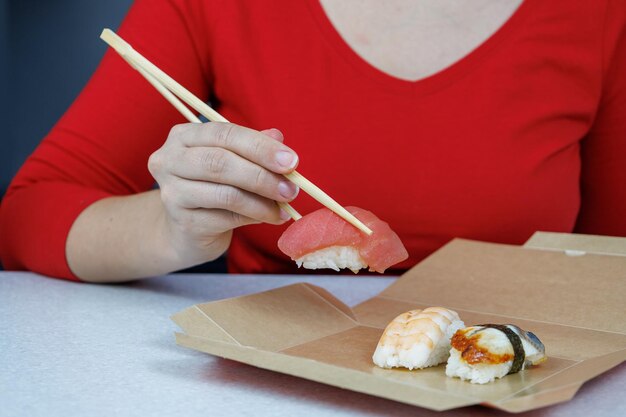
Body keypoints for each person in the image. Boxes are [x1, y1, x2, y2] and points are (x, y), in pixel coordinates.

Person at [1, 0, 625, 283]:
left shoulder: (600, 13)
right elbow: (26, 215)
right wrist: (173, 229)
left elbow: (610, 266)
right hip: (263, 383)